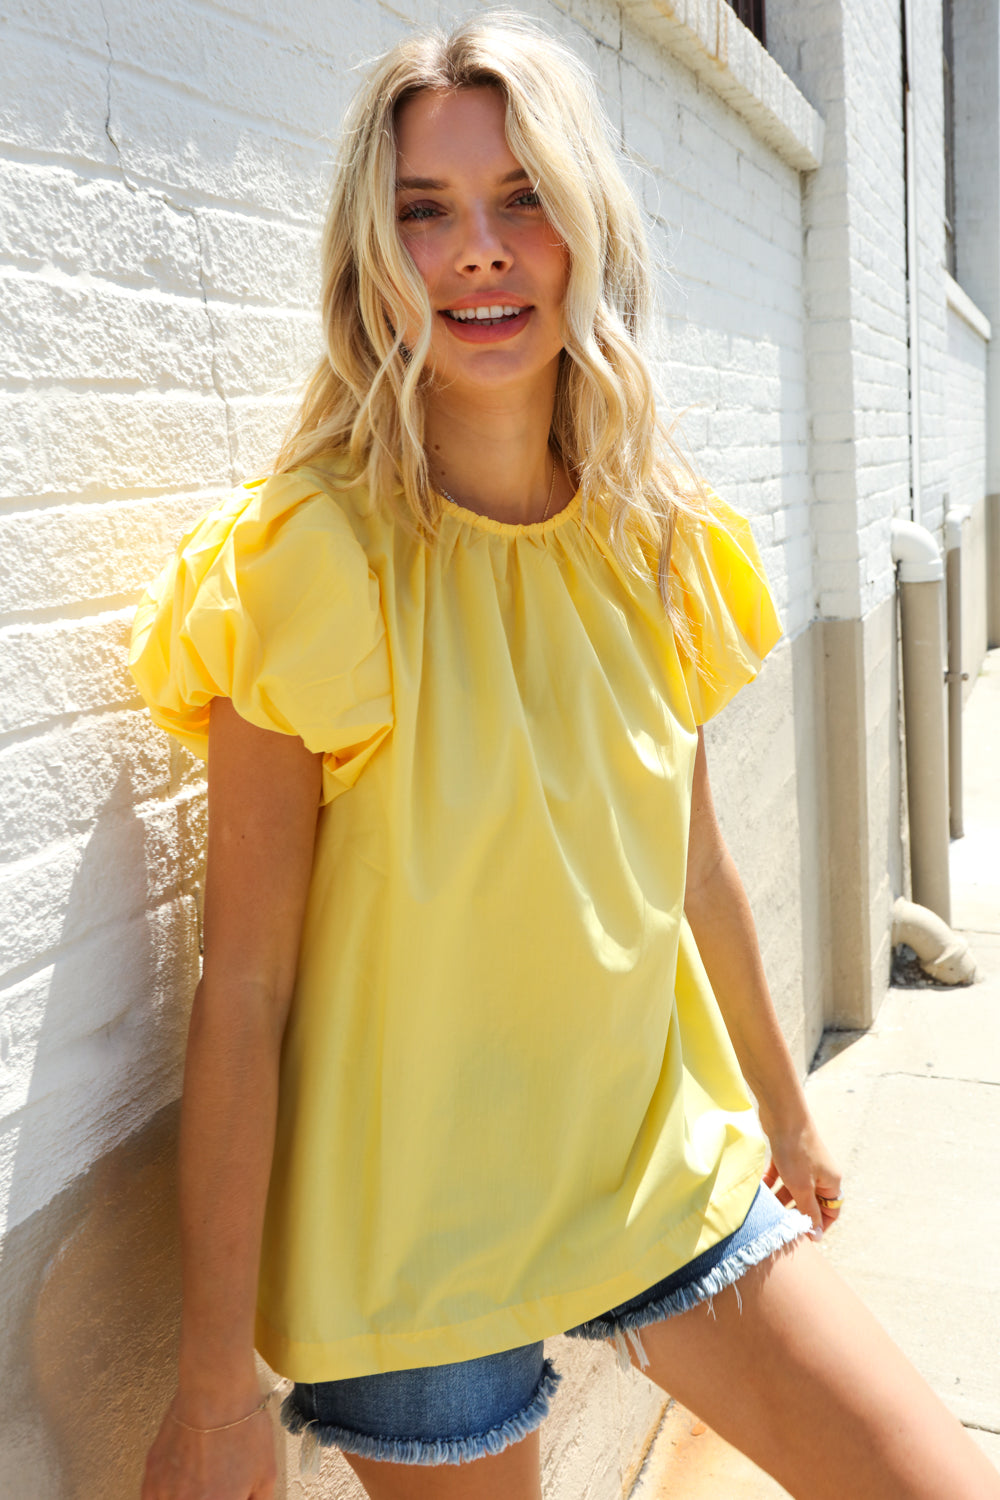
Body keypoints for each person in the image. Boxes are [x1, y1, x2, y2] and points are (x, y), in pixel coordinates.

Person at [130, 15, 1000, 1500]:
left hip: (653, 1172)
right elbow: (248, 987)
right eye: (427, 211)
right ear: (371, 259)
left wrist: (787, 1112)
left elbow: (695, 862)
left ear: (586, 226)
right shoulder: (312, 568)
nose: (479, 249)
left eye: (522, 195)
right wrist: (218, 1375)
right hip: (412, 1238)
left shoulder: (657, 549)